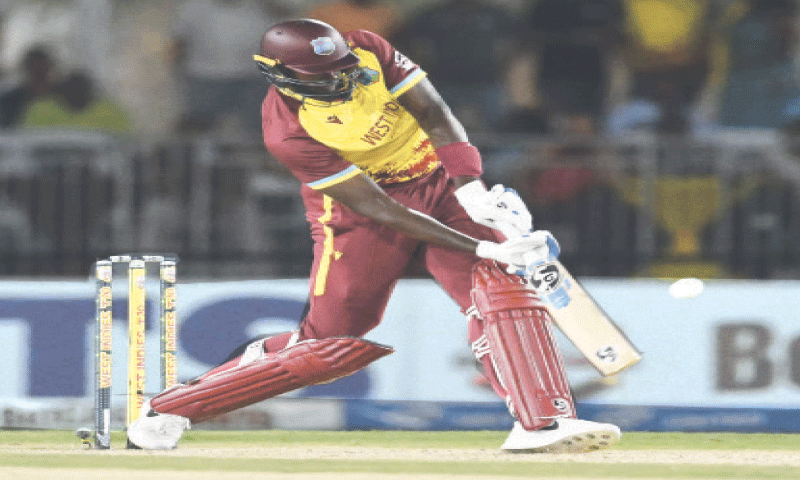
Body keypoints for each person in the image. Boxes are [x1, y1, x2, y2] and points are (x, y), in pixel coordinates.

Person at [125, 19, 621, 453]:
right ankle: (170, 408)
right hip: (358, 212)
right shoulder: (289, 131)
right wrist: (483, 243)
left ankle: (542, 422)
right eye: (324, 75)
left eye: (340, 65)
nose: (341, 76)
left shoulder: (368, 49)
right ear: (281, 76)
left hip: (436, 179)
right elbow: (380, 209)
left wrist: (471, 188)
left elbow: (434, 113)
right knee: (329, 345)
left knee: (498, 282)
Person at [21, 70, 132, 135]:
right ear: (61, 91)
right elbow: (26, 142)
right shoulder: (41, 110)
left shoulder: (110, 111)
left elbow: (125, 144)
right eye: (71, 90)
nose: (76, 92)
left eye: (81, 89)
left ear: (91, 91)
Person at [0, 45, 57, 129]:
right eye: (35, 72)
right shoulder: (9, 101)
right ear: (27, 71)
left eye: (42, 72)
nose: (39, 78)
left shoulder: (61, 99)